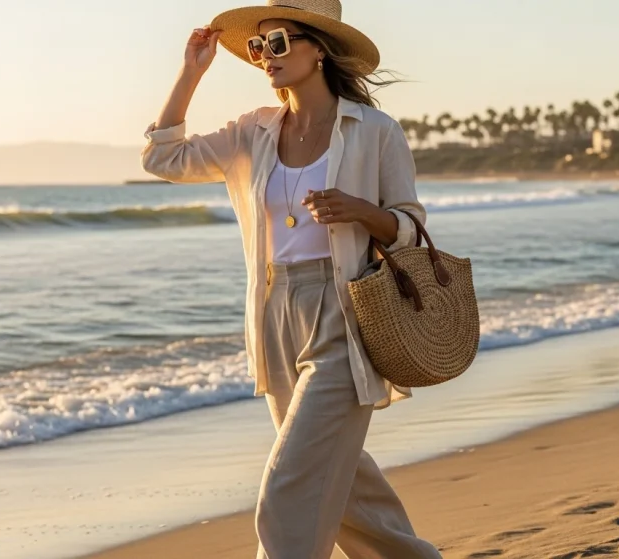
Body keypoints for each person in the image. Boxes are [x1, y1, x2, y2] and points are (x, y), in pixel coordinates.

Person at [141, 1, 441, 557]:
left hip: (345, 313)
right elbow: (164, 159)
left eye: (277, 42)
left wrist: (360, 210)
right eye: (259, 46)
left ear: (318, 48)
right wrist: (191, 73)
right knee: (342, 486)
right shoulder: (252, 131)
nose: (264, 56)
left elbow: (409, 228)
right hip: (273, 312)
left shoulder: (374, 131)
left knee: (288, 487)